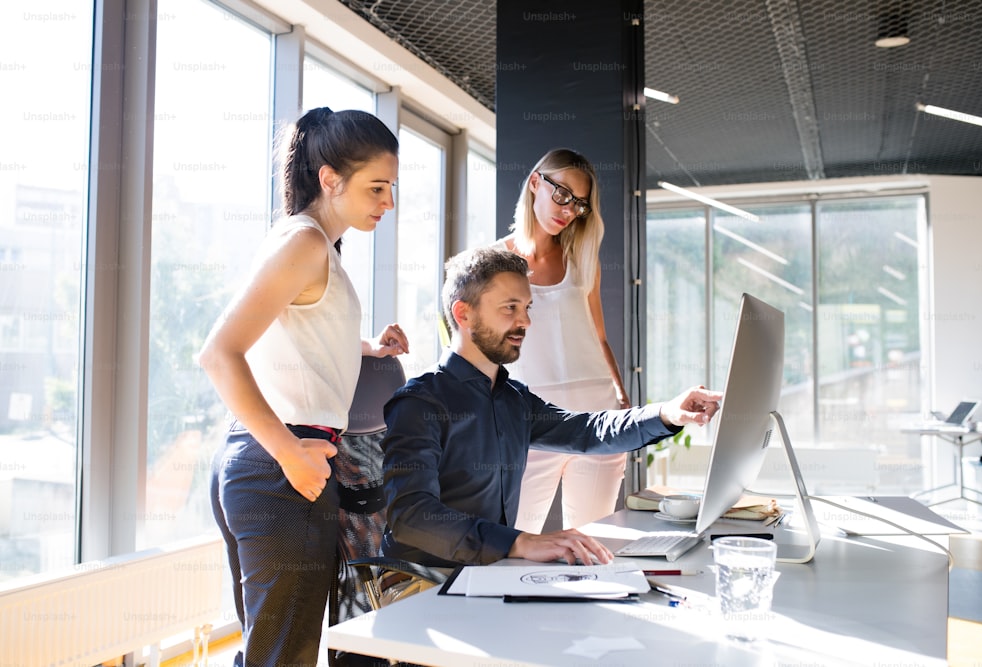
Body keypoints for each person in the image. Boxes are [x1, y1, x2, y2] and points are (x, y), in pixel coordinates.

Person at [199, 107, 409, 667]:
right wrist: (289, 454)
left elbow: (295, 335)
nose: (388, 202)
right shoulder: (306, 243)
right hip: (280, 465)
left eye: (392, 188)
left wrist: (368, 346)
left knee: (274, 652)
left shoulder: (312, 244)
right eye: (377, 187)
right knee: (282, 657)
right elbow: (219, 354)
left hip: (267, 462)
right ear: (330, 179)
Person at [380, 246, 721, 572]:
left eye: (527, 308)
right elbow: (411, 516)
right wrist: (518, 543)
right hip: (419, 581)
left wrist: (666, 414)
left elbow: (586, 431)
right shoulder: (420, 402)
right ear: (463, 313)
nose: (525, 322)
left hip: (486, 575)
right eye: (510, 308)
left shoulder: (513, 399)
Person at [495, 148, 632, 533]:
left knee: (593, 543)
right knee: (513, 544)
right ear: (536, 182)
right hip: (528, 422)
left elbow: (599, 336)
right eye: (562, 195)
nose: (568, 210)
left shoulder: (583, 258)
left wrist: (621, 402)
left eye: (579, 204)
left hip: (596, 419)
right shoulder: (492, 262)